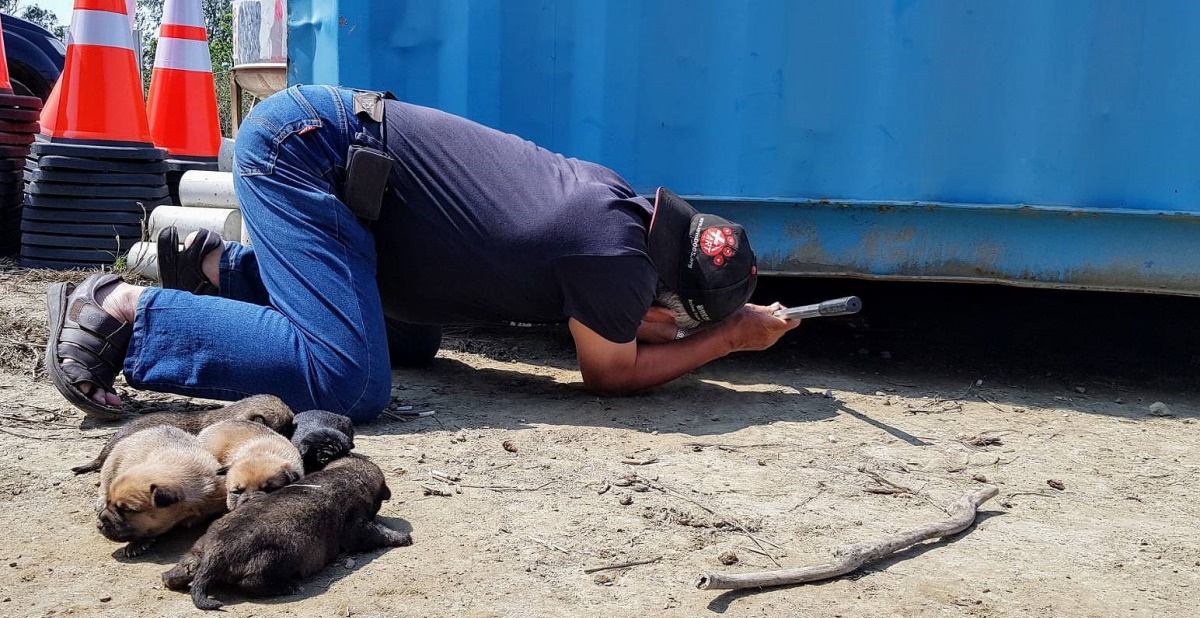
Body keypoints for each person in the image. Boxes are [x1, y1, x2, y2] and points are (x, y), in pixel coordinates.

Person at [45, 85, 800, 423]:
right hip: (312, 156)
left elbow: (616, 316)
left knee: (408, 338)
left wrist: (668, 324)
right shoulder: (615, 263)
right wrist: (727, 337)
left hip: (334, 153)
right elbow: (611, 375)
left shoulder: (620, 214)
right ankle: (124, 311)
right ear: (672, 294)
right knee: (349, 380)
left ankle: (216, 269)